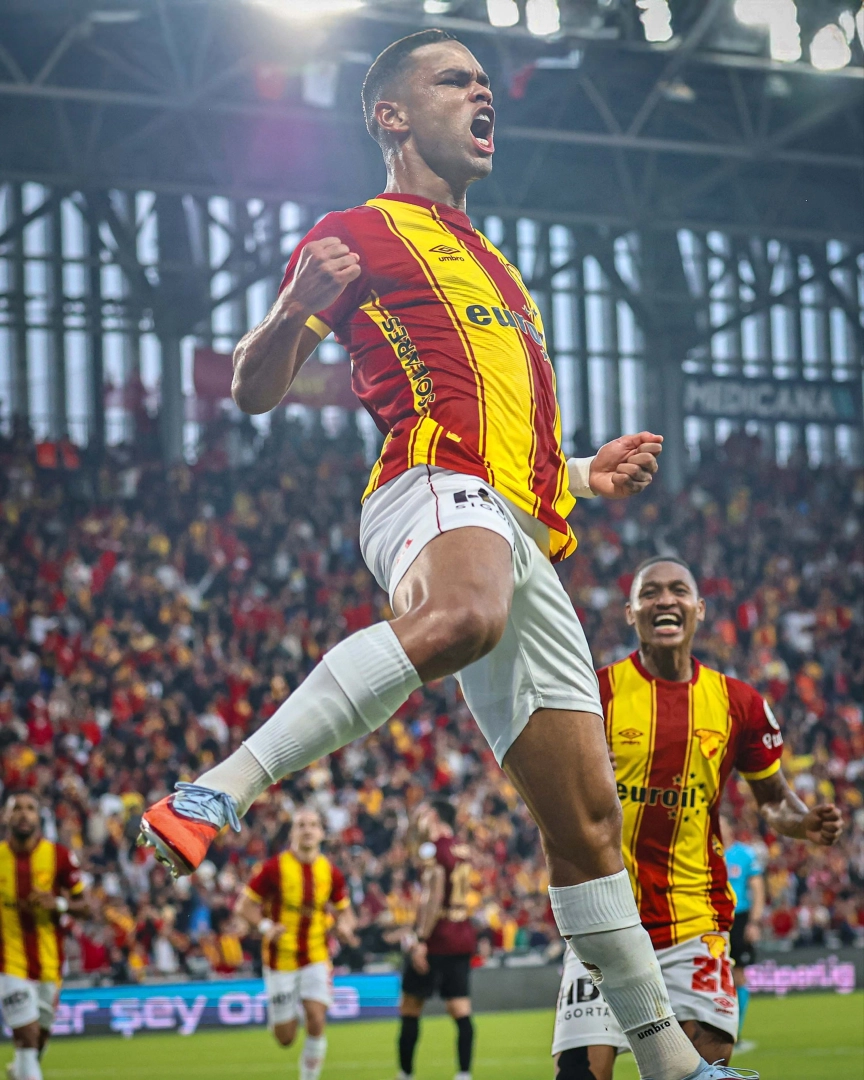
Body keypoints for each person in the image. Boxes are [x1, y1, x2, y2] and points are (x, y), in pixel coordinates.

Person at [139, 28, 747, 1080]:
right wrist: (293, 309)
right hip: (424, 483)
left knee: (588, 825)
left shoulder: (503, 272)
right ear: (391, 115)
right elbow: (251, 389)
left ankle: (674, 1069)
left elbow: (517, 450)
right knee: (463, 614)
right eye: (453, 80)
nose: (481, 94)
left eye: (483, 82)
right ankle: (216, 790)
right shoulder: (356, 233)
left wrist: (584, 473)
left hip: (517, 528)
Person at [551, 556, 843, 1079]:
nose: (665, 599)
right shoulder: (594, 694)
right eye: (650, 592)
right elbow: (551, 793)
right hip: (603, 915)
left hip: (695, 920)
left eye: (678, 590)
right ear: (630, 612)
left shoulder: (738, 703)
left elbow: (773, 797)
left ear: (700, 609)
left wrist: (803, 822)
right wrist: (580, 778)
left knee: (698, 1074)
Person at [234, 807, 357, 1080]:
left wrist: (346, 927)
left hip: (316, 954)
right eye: (301, 825)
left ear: (322, 833)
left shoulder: (330, 871)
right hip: (281, 958)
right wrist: (266, 926)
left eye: (313, 824)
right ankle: (284, 1012)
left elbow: (346, 912)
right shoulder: (274, 868)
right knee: (285, 1037)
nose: (308, 830)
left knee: (317, 1017)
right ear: (292, 833)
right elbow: (244, 906)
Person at [0, 791, 89, 1080]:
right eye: (17, 808)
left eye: (30, 808)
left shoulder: (59, 856)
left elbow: (87, 907)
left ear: (38, 817)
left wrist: (58, 903)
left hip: (50, 964)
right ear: (5, 817)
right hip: (9, 963)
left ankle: (19, 1072)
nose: (23, 814)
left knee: (37, 1041)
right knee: (26, 1037)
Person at [398, 799, 476, 1080]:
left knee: (410, 1006)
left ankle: (405, 1074)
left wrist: (420, 938)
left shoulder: (435, 850)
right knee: (460, 1007)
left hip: (437, 936)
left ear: (432, 815)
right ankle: (464, 1074)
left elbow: (433, 895)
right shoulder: (461, 848)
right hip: (461, 933)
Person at [720, 816, 765, 1048]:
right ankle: (718, 1030)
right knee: (715, 975)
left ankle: (735, 1032)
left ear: (730, 828)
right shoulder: (706, 853)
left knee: (738, 975)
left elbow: (758, 889)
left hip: (739, 918)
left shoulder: (744, 854)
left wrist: (754, 922)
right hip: (712, 919)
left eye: (722, 824)